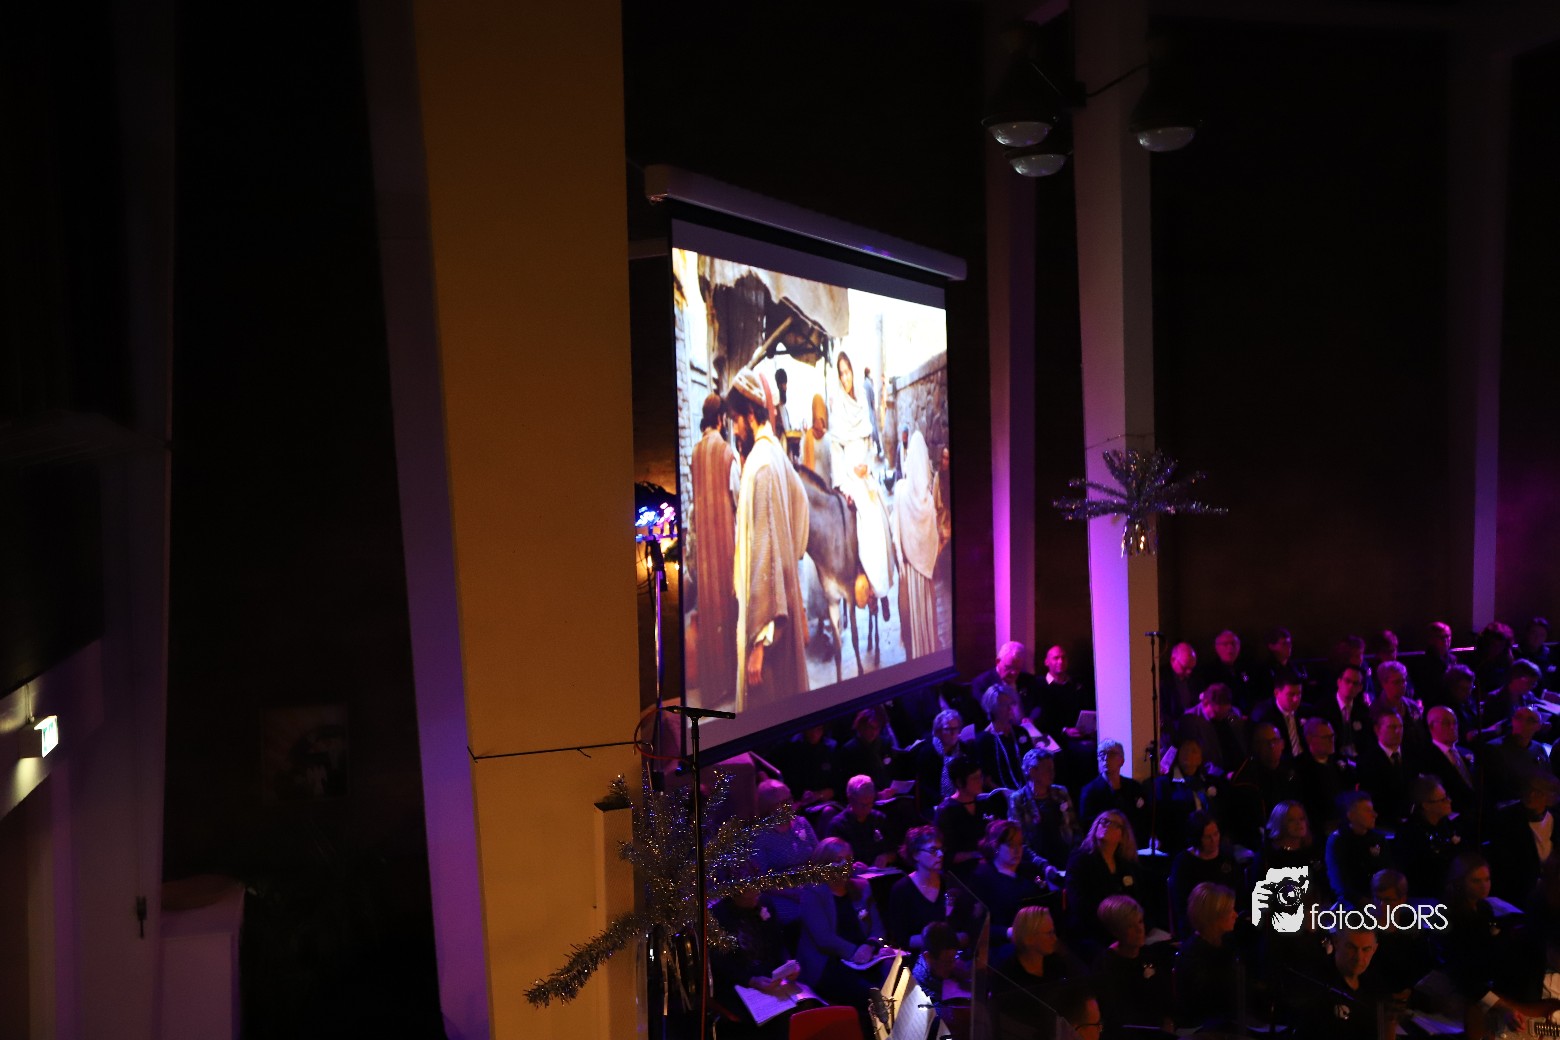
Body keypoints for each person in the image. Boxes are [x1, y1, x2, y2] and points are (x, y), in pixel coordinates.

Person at [726, 372, 810, 711]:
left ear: (750, 414)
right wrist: (792, 558)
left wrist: (759, 643)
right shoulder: (774, 452)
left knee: (769, 710)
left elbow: (765, 552)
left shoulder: (761, 465)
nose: (734, 430)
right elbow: (801, 504)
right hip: (783, 603)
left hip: (769, 625)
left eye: (736, 420)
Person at [1435, 853, 1560, 1037]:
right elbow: (1463, 971)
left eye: (1487, 879)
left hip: (1488, 983)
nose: (1484, 886)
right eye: (1476, 881)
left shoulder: (1485, 909)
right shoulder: (1450, 916)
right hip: (1468, 987)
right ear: (1459, 882)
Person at [827, 351, 892, 622]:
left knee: (880, 517)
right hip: (848, 478)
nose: (845, 378)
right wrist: (844, 482)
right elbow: (836, 453)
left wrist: (867, 465)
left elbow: (868, 444)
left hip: (865, 474)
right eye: (841, 373)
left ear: (853, 372)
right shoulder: (837, 409)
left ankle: (882, 590)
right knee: (865, 520)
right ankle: (870, 588)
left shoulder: (862, 404)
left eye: (848, 372)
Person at [796, 838, 888, 1016]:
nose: (845, 865)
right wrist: (855, 952)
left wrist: (871, 945)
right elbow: (824, 939)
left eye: (848, 860)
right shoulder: (813, 893)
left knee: (897, 979)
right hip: (829, 962)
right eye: (838, 860)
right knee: (871, 994)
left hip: (865, 958)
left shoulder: (862, 887)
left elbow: (878, 930)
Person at [710, 886, 817, 1038]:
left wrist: (788, 965)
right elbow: (721, 963)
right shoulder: (718, 915)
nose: (757, 893)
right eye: (751, 889)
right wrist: (751, 980)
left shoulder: (764, 902)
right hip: (738, 984)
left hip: (768, 978)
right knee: (782, 1018)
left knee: (807, 1005)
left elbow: (778, 942)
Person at [689, 392, 739, 708]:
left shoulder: (694, 454)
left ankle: (712, 688)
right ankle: (729, 684)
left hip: (704, 549)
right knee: (728, 607)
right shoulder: (726, 453)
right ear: (721, 419)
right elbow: (737, 498)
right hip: (725, 546)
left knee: (709, 609)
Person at [1091, 895, 1174, 1034]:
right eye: (1130, 926)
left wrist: (1168, 1021)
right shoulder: (1106, 966)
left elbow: (1165, 997)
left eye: (1140, 922)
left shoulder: (1148, 954)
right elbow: (1116, 1017)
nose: (1139, 929)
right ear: (1116, 930)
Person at [969, 819, 1056, 945]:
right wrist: (1008, 932)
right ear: (996, 847)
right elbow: (977, 925)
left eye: (1020, 844)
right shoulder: (982, 877)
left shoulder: (1029, 870)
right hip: (1008, 944)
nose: (1017, 850)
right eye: (1010, 845)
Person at [1064, 810, 1140, 953]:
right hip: (1090, 930)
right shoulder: (1080, 860)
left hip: (1121, 928)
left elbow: (1133, 898)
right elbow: (1079, 904)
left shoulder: (1124, 864)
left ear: (1123, 836)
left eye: (1114, 824)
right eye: (1104, 821)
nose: (1107, 825)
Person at [893, 429, 941, 658]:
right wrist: (927, 561)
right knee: (925, 617)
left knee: (909, 621)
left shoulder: (900, 492)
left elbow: (896, 533)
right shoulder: (928, 501)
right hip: (925, 575)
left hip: (908, 573)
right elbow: (933, 539)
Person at [1291, 925, 1384, 1040]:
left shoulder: (1374, 988)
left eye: (1366, 949)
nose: (1359, 957)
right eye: (1351, 947)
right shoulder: (1315, 983)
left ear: (1375, 949)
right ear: (1336, 942)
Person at [1174, 882, 1243, 1031]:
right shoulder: (1192, 956)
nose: (1236, 915)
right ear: (1214, 917)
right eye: (1230, 911)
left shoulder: (1227, 942)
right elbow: (1202, 1007)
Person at [1392, 775, 1471, 904]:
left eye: (1447, 796)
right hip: (1427, 897)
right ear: (1426, 805)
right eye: (1443, 799)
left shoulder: (1447, 825)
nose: (1449, 801)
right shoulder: (1410, 834)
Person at [886, 827, 968, 950]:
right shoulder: (901, 890)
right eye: (933, 850)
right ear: (916, 855)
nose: (941, 855)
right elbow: (901, 939)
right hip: (918, 955)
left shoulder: (950, 884)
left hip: (951, 954)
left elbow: (964, 928)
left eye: (941, 849)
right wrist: (941, 941)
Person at [1168, 811, 1243, 937]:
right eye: (1208, 837)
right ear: (1197, 838)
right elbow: (1182, 905)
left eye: (1216, 834)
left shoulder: (1227, 857)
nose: (1214, 840)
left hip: (1228, 920)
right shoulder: (1184, 862)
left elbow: (1239, 892)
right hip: (1198, 926)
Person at [987, 905, 1079, 1004]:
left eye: (1054, 932)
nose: (1055, 938)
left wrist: (1066, 955)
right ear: (1028, 939)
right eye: (1049, 933)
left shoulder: (1056, 963)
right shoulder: (1007, 977)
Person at [1007, 747, 1076, 870]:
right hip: (1036, 864)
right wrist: (1042, 865)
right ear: (1032, 771)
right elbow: (1019, 840)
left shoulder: (1061, 793)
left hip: (1066, 859)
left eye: (1052, 769)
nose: (1052, 773)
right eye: (1047, 769)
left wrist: (1077, 854)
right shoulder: (1018, 800)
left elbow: (1074, 826)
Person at [1325, 791, 1393, 910]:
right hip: (1351, 905)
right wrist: (1365, 902)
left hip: (1380, 900)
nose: (1374, 814)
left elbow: (1389, 871)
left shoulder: (1378, 839)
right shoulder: (1338, 841)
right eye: (1367, 811)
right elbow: (1340, 883)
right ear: (1351, 815)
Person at [1079, 739, 1150, 843]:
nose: (1105, 758)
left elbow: (1144, 817)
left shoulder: (1134, 787)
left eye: (1111, 754)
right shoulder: (1090, 791)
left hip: (1133, 843)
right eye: (1102, 754)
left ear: (1121, 760)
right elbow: (1087, 825)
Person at [933, 755, 993, 871]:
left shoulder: (984, 803)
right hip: (962, 870)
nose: (980, 782)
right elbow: (945, 854)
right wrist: (976, 855)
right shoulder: (947, 811)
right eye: (975, 778)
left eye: (980, 777)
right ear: (960, 782)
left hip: (986, 864)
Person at [976, 684, 1037, 791]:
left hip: (1030, 790)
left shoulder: (1020, 732)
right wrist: (1010, 795)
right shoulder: (983, 740)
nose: (1010, 709)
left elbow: (1033, 763)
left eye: (1011, 704)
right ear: (992, 709)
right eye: (1004, 705)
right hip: (1003, 795)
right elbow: (986, 779)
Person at [827, 774, 896, 868]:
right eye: (862, 804)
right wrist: (851, 867)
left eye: (870, 803)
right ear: (850, 799)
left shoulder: (879, 819)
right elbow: (831, 861)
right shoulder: (838, 825)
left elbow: (894, 850)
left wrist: (886, 857)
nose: (866, 808)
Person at [1423, 705, 1479, 813]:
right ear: (1431, 727)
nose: (1453, 727)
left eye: (1455, 722)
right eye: (1446, 723)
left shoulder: (1465, 752)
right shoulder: (1427, 758)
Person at [1317, 663, 1371, 761]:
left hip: (1359, 759)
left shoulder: (1363, 710)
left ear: (1360, 688)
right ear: (1339, 682)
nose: (1351, 686)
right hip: (1333, 759)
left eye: (1355, 683)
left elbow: (1367, 740)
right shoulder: (1323, 708)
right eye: (1347, 681)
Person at [799, 394, 832, 485]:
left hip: (811, 485)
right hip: (825, 484)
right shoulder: (829, 439)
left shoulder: (806, 438)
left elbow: (802, 461)